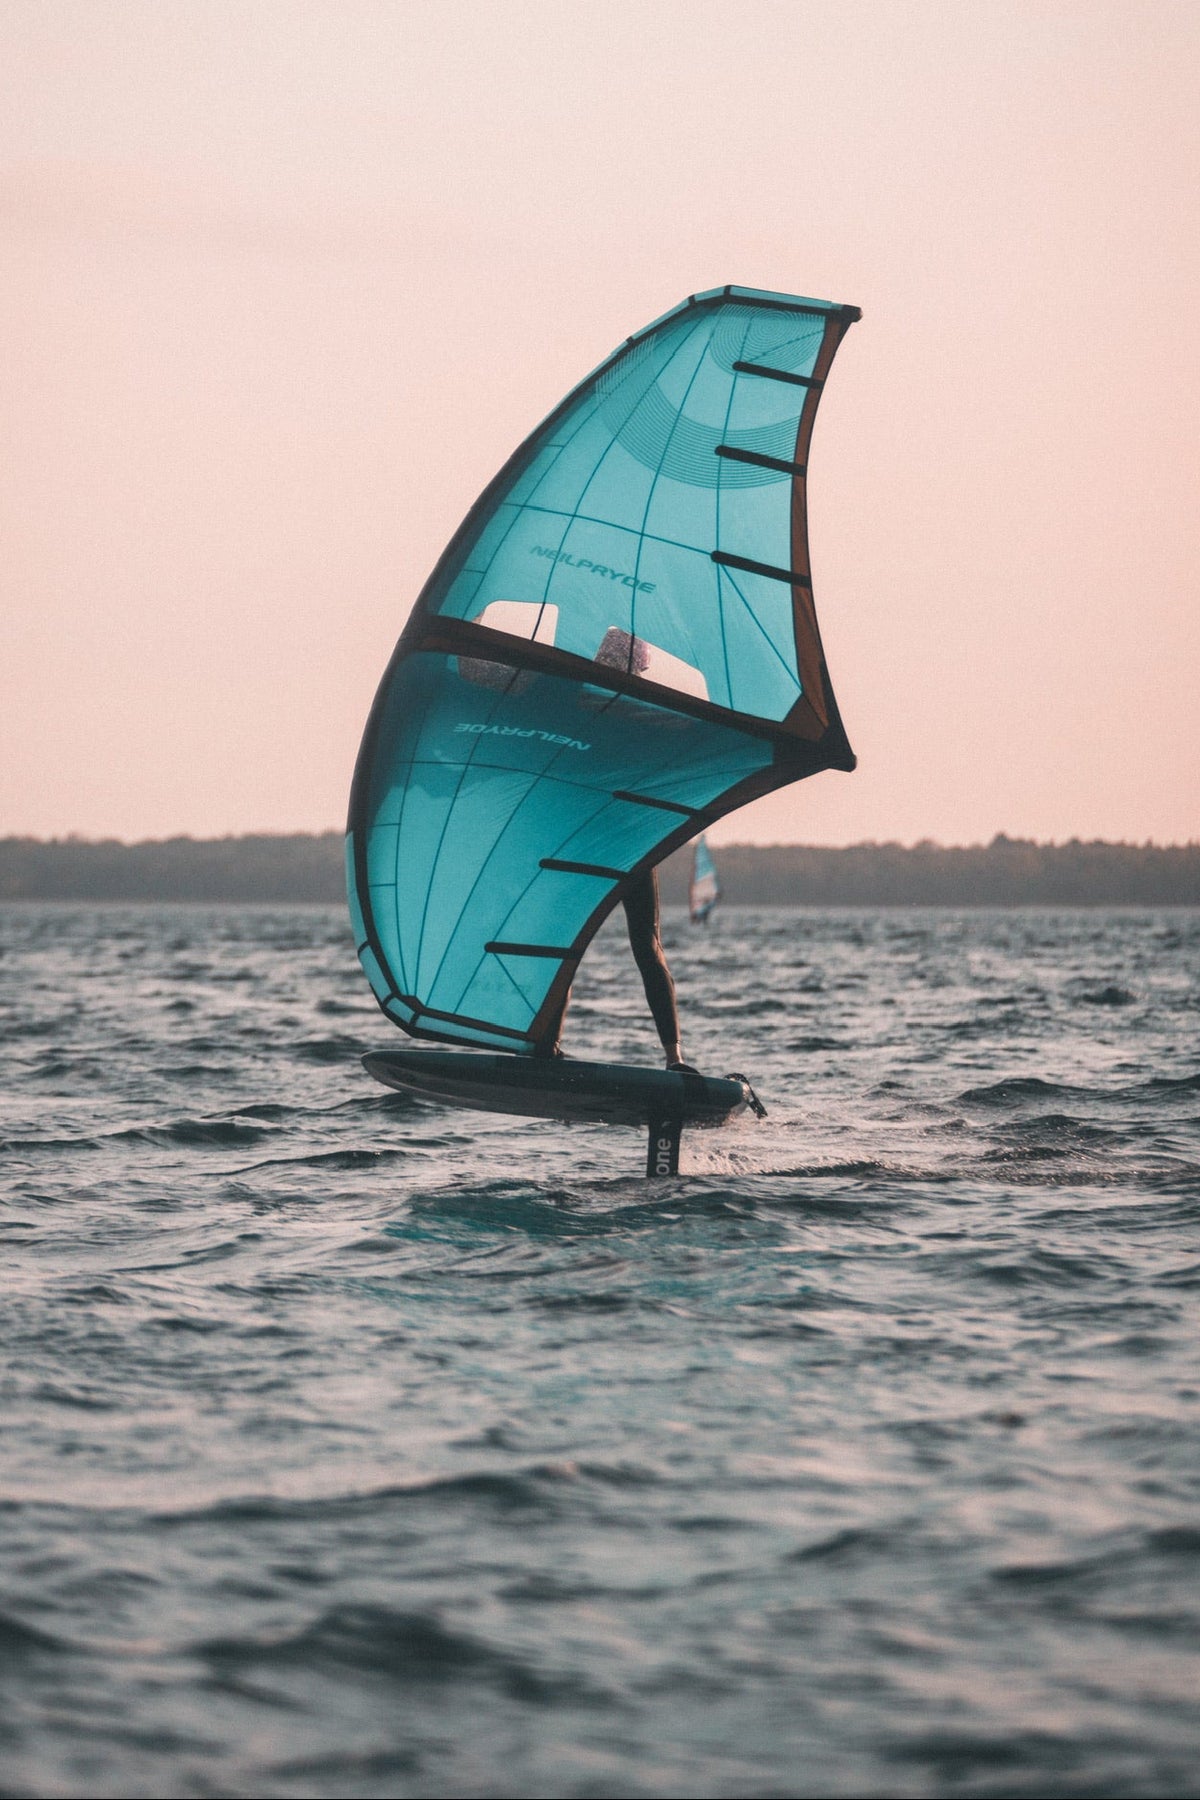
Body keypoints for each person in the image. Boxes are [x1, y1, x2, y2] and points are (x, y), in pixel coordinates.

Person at [538, 865, 693, 1069]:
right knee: (646, 949)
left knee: (565, 949)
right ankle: (674, 1058)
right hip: (626, 854)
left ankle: (547, 1047)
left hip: (620, 856)